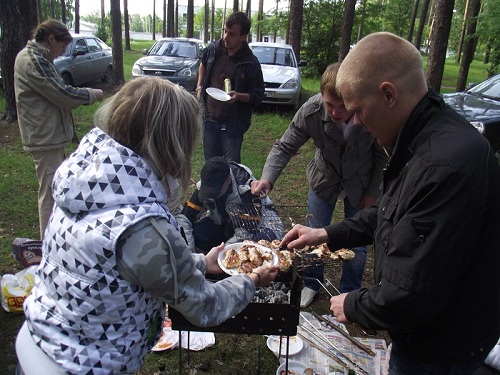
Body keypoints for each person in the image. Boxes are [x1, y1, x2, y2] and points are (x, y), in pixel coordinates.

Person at [15, 77, 279, 375]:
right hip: (80, 366)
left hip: (38, 340)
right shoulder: (142, 224)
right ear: (170, 141)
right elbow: (204, 305)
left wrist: (202, 263)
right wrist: (253, 280)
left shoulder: (87, 178)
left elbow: (126, 263)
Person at [282, 32, 500, 374]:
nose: (356, 123)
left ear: (388, 94)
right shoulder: (425, 138)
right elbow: (390, 215)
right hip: (434, 333)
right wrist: (325, 234)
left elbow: (414, 292)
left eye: (358, 110)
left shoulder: (443, 166)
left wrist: (353, 305)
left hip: (440, 346)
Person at [251, 62, 387, 308]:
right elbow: (285, 146)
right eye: (329, 105)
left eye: (342, 106)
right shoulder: (311, 111)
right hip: (324, 178)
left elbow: (382, 155)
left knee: (356, 241)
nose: (335, 112)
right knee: (312, 234)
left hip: (361, 180)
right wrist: (267, 178)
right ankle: (312, 283)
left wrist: (373, 191)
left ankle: (350, 293)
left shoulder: (368, 113)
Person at [14, 19, 104, 240]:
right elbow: (61, 93)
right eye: (62, 46)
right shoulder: (32, 59)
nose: (62, 52)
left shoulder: (40, 57)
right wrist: (90, 95)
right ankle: (48, 243)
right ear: (51, 39)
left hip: (50, 134)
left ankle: (56, 236)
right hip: (44, 136)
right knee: (50, 193)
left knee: (56, 187)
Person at [196, 11, 265, 163]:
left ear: (243, 36)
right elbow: (203, 63)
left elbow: (258, 95)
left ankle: (231, 187)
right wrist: (200, 86)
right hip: (208, 119)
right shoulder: (214, 49)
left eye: (232, 34)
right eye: (225, 31)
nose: (226, 37)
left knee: (231, 167)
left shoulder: (251, 63)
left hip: (231, 126)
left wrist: (239, 96)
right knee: (211, 165)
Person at [181, 156, 283, 253]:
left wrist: (224, 255)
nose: (212, 196)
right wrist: (189, 252)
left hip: (257, 224)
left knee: (259, 244)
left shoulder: (248, 190)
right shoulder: (205, 186)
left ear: (228, 180)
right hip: (223, 222)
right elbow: (185, 218)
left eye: (216, 192)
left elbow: (246, 232)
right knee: (197, 234)